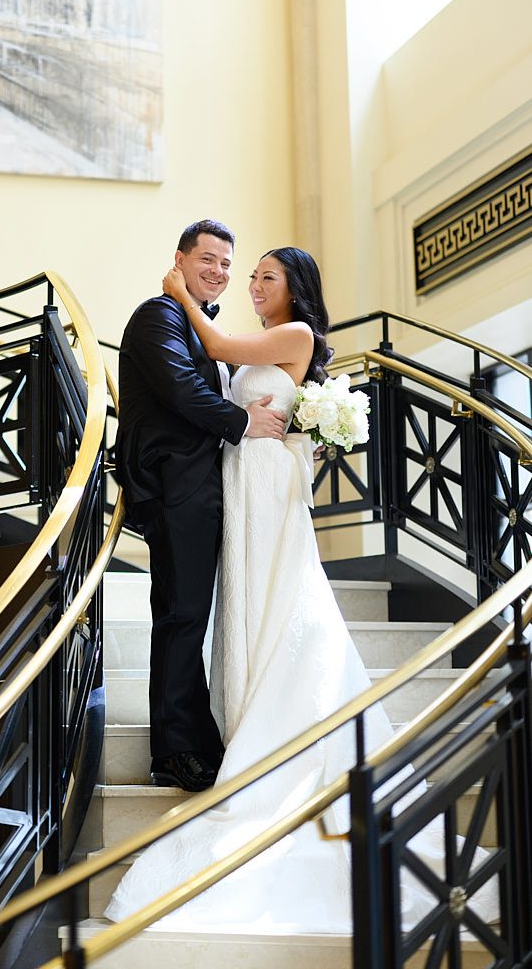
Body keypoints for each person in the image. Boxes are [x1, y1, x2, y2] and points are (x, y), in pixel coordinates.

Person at [106, 246, 453, 932]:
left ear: (295, 288)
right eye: (248, 274)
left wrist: (178, 291)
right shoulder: (262, 343)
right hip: (240, 479)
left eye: (264, 275)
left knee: (274, 595)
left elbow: (212, 340)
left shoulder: (292, 335)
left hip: (264, 486)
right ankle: (239, 713)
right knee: (239, 602)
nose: (252, 284)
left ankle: (280, 725)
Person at [115, 220, 288, 794]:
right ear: (181, 260)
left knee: (190, 612)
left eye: (225, 265)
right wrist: (242, 420)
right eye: (207, 260)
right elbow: (180, 390)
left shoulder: (195, 321)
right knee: (182, 614)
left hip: (203, 484)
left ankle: (192, 737)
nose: (218, 271)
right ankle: (176, 750)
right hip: (175, 482)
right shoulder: (157, 317)